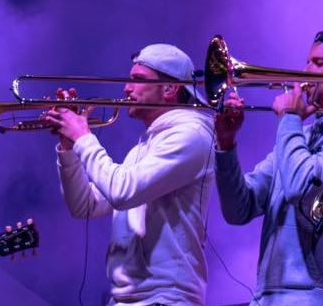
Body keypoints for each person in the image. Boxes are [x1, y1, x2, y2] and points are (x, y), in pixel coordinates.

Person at [42, 43, 215, 306]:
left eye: (137, 80)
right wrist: (68, 147)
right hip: (129, 299)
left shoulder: (190, 135)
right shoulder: (144, 147)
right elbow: (84, 205)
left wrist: (82, 136)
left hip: (166, 299)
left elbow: (122, 192)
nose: (126, 88)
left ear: (169, 89)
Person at [212, 26, 323, 306]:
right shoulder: (302, 135)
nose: (304, 72)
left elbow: (302, 188)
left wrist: (289, 119)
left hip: (314, 297)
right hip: (266, 296)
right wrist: (226, 145)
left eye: (318, 63)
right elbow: (239, 209)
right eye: (307, 61)